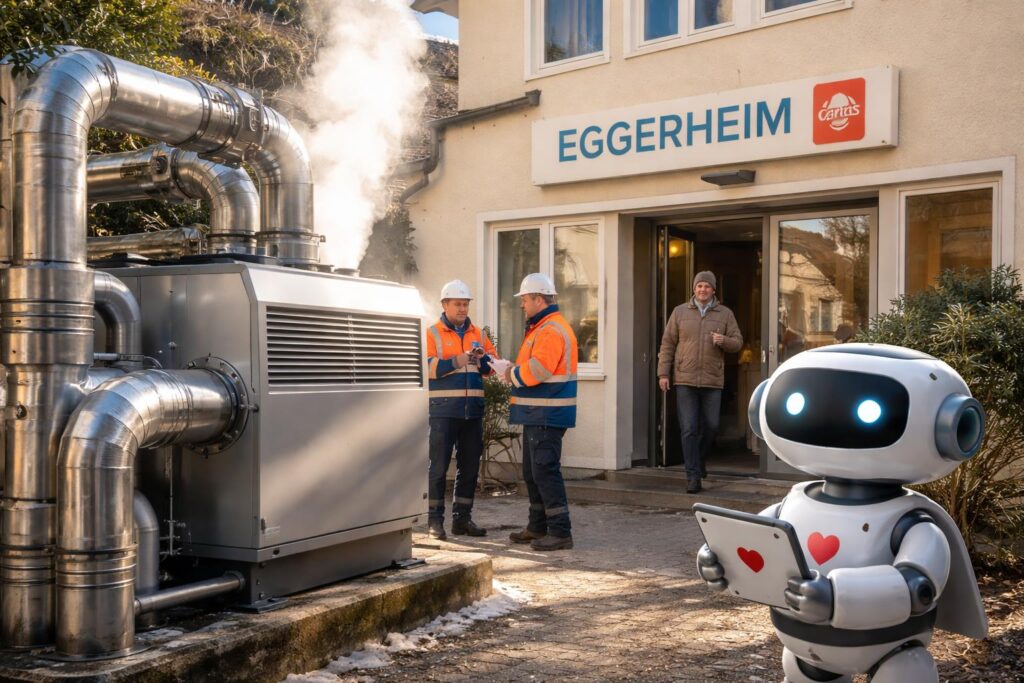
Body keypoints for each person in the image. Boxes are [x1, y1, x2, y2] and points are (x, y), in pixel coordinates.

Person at [501, 273, 578, 551]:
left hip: (547, 413)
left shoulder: (549, 330)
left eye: (524, 299)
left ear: (538, 299)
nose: (522, 305)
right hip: (540, 412)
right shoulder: (543, 327)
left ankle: (560, 532)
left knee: (545, 471)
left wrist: (511, 374)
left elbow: (540, 369)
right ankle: (537, 526)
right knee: (534, 473)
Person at [424, 279, 498, 540]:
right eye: (458, 304)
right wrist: (459, 360)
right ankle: (434, 521)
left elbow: (491, 368)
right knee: (438, 468)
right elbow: (428, 368)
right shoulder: (431, 334)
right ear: (445, 305)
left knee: (469, 467)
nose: (463, 309)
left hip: (472, 411)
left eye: (466, 304)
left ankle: (462, 520)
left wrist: (484, 360)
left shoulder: (479, 334)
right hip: (443, 411)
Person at [657, 271, 742, 494]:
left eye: (706, 286)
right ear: (694, 289)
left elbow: (737, 343)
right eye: (699, 286)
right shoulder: (679, 312)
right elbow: (667, 344)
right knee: (689, 429)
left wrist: (724, 341)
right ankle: (693, 476)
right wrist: (663, 374)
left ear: (713, 290)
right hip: (684, 378)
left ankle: (699, 459)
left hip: (712, 380)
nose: (702, 290)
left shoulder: (725, 314)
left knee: (712, 426)